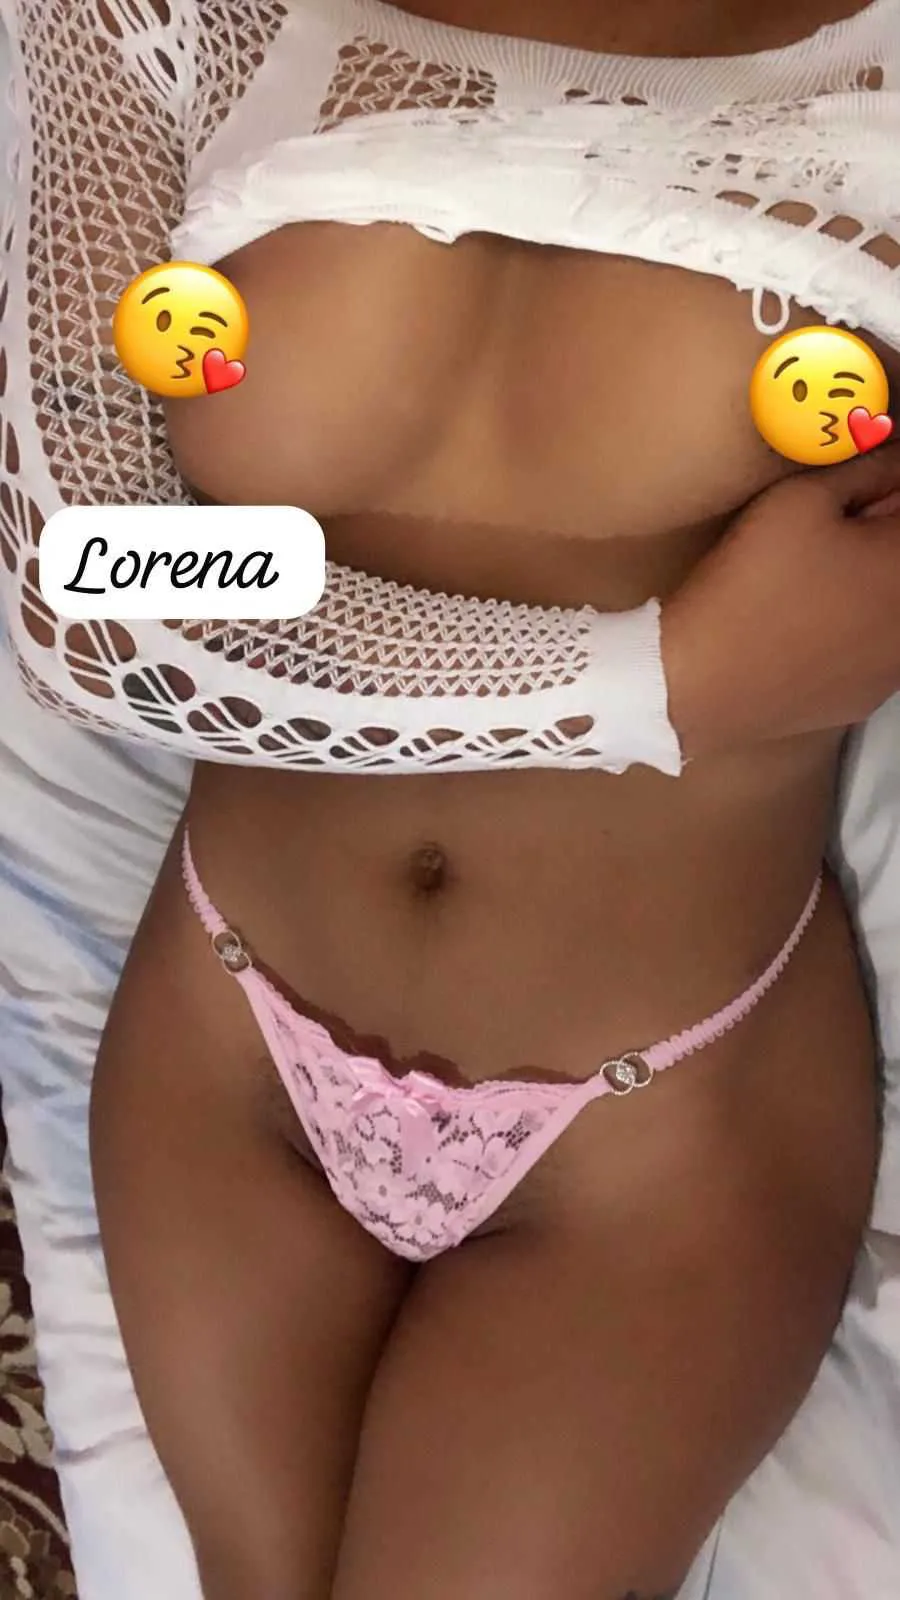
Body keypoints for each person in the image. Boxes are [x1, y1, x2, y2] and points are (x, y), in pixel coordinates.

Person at [2, 1, 900, 1597]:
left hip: (664, 1127)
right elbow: (81, 579)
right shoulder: (160, 14)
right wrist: (663, 681)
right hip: (232, 1041)